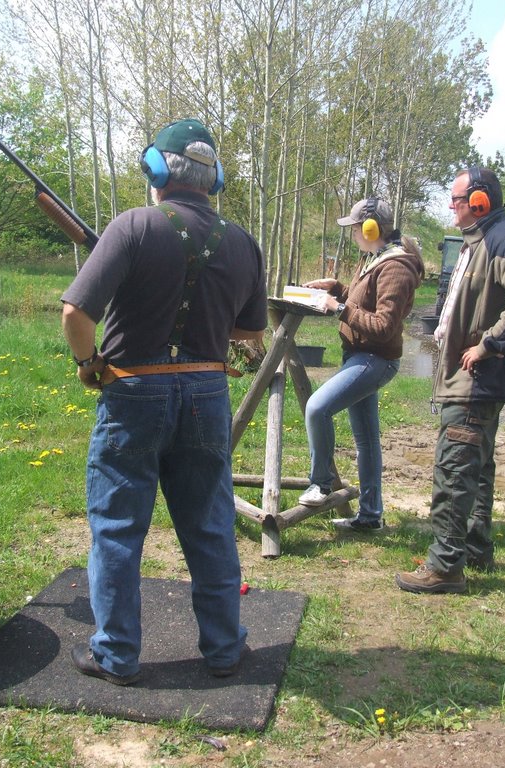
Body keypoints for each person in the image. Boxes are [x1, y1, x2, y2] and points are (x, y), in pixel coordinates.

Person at [61, 118, 267, 684]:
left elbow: (76, 314)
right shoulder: (243, 241)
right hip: (206, 390)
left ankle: (115, 655)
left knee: (118, 528)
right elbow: (250, 333)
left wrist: (88, 365)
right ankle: (225, 650)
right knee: (210, 526)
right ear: (214, 179)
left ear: (155, 170)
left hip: (132, 389)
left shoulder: (130, 227)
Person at [396, 166, 505, 594]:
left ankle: (445, 566)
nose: (451, 207)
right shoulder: (484, 238)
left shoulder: (503, 239)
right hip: (475, 379)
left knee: (455, 467)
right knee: (477, 466)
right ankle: (475, 547)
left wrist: (489, 344)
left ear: (480, 202)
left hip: (477, 379)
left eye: (458, 200)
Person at [298, 197, 425, 532]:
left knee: (317, 408)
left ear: (371, 228)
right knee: (367, 441)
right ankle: (370, 517)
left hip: (375, 359)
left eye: (355, 227)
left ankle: (320, 483)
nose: (353, 233)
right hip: (360, 357)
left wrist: (338, 308)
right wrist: (337, 289)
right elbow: (360, 299)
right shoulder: (375, 258)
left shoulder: (395, 267)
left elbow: (383, 327)